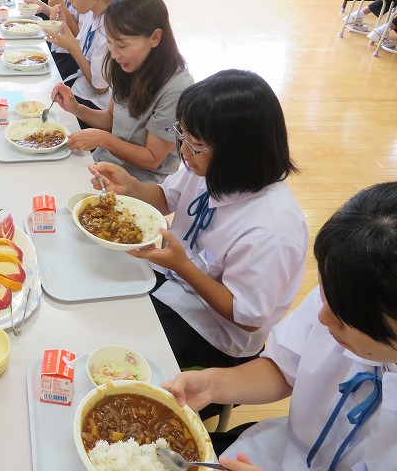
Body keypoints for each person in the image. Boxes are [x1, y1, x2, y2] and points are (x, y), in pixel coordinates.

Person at [164, 182, 397, 471]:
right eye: (323, 294)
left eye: (346, 317)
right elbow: (283, 369)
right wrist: (211, 385)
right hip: (283, 451)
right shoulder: (346, 292)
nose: (323, 319)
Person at [91, 69, 308, 371]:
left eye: (195, 144)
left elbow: (246, 317)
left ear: (238, 151)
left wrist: (182, 266)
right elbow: (166, 198)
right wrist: (131, 186)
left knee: (116, 349)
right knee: (98, 290)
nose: (183, 151)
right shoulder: (210, 168)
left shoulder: (272, 230)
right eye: (182, 135)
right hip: (172, 282)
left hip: (214, 330)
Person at [54, 0, 192, 182]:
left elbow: (152, 159)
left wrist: (103, 139)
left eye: (122, 45)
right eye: (109, 43)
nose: (114, 54)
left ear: (155, 38)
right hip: (104, 163)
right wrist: (76, 108)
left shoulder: (176, 88)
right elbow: (112, 119)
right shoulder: (127, 64)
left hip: (141, 182)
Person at [43, 0, 121, 111]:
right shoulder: (93, 10)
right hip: (81, 86)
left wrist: (73, 47)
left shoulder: (112, 27)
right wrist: (62, 23)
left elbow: (99, 87)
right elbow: (81, 44)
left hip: (96, 104)